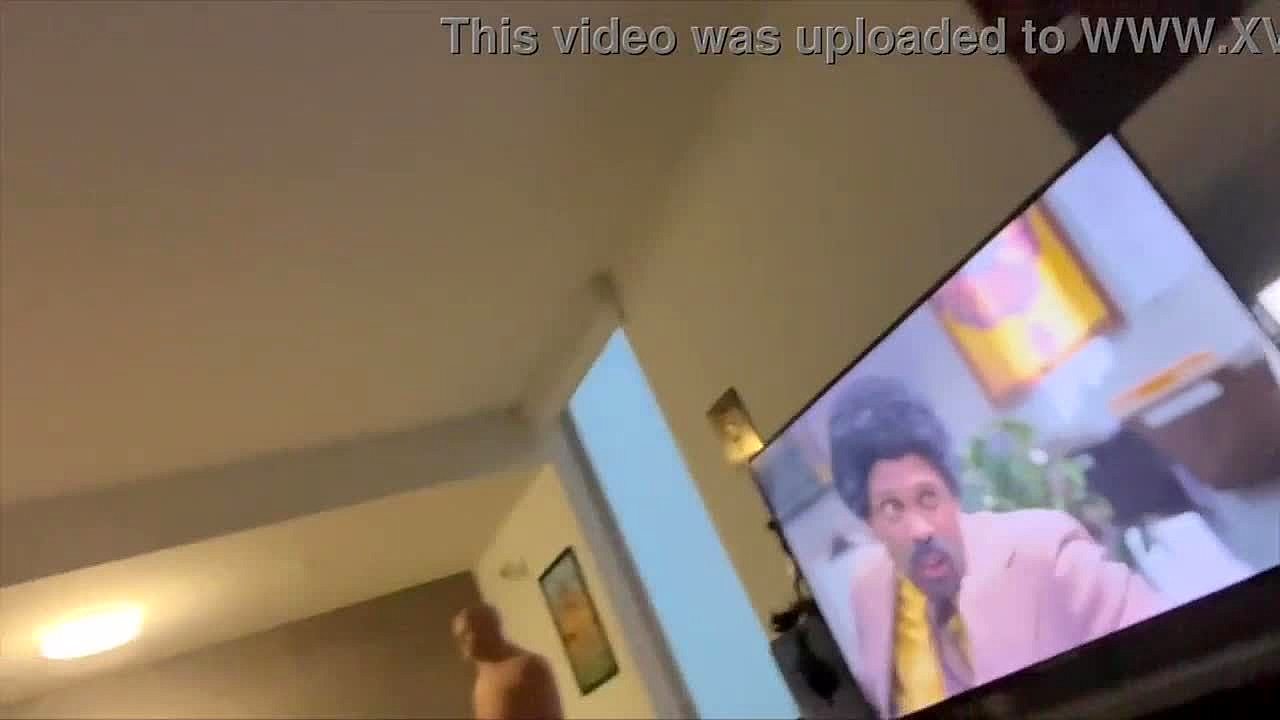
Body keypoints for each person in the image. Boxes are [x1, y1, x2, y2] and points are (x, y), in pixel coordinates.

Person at [828, 376, 1163, 718]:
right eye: (891, 509)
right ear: (870, 525)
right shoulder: (870, 590)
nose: (920, 530)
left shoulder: (1045, 548)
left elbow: (1168, 655)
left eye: (928, 497)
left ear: (953, 494)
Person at [452, 604, 563, 720]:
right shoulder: (482, 677)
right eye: (458, 636)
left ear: (487, 629)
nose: (461, 641)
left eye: (465, 633)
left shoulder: (529, 666)